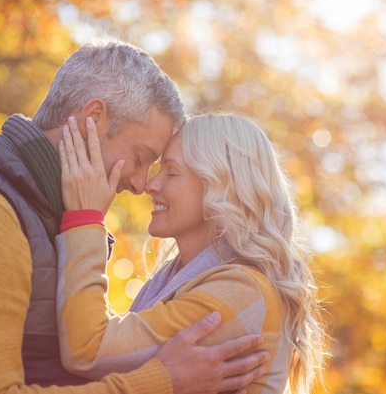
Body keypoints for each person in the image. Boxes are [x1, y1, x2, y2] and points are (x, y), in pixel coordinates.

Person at [0, 39, 269, 394]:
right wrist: (160, 383)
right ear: (93, 118)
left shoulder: (47, 220)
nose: (142, 184)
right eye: (141, 158)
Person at [56, 112, 327, 393]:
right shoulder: (184, 280)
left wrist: (84, 219)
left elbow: (88, 347)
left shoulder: (241, 290)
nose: (151, 184)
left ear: (222, 187)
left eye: (171, 172)